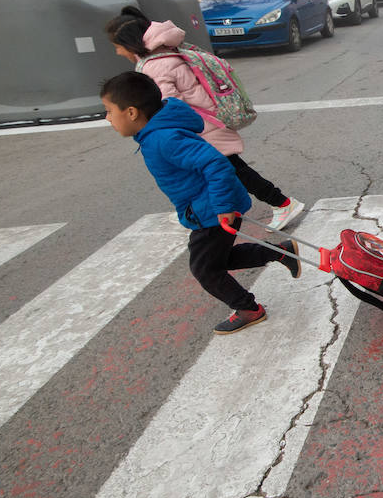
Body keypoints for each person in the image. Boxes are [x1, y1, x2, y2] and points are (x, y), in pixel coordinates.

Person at [100, 72, 302, 334]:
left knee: (205, 269)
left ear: (131, 113)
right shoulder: (156, 134)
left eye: (108, 111)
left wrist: (223, 207)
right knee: (219, 260)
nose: (107, 118)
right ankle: (281, 252)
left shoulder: (164, 139)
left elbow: (216, 163)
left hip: (213, 212)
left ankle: (249, 309)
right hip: (209, 208)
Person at [105, 7, 305, 233]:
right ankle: (217, 207)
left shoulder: (154, 66)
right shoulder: (164, 53)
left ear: (129, 43)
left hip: (201, 128)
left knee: (234, 170)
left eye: (117, 47)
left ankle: (283, 203)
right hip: (205, 123)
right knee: (228, 169)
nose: (117, 52)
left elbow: (166, 105)